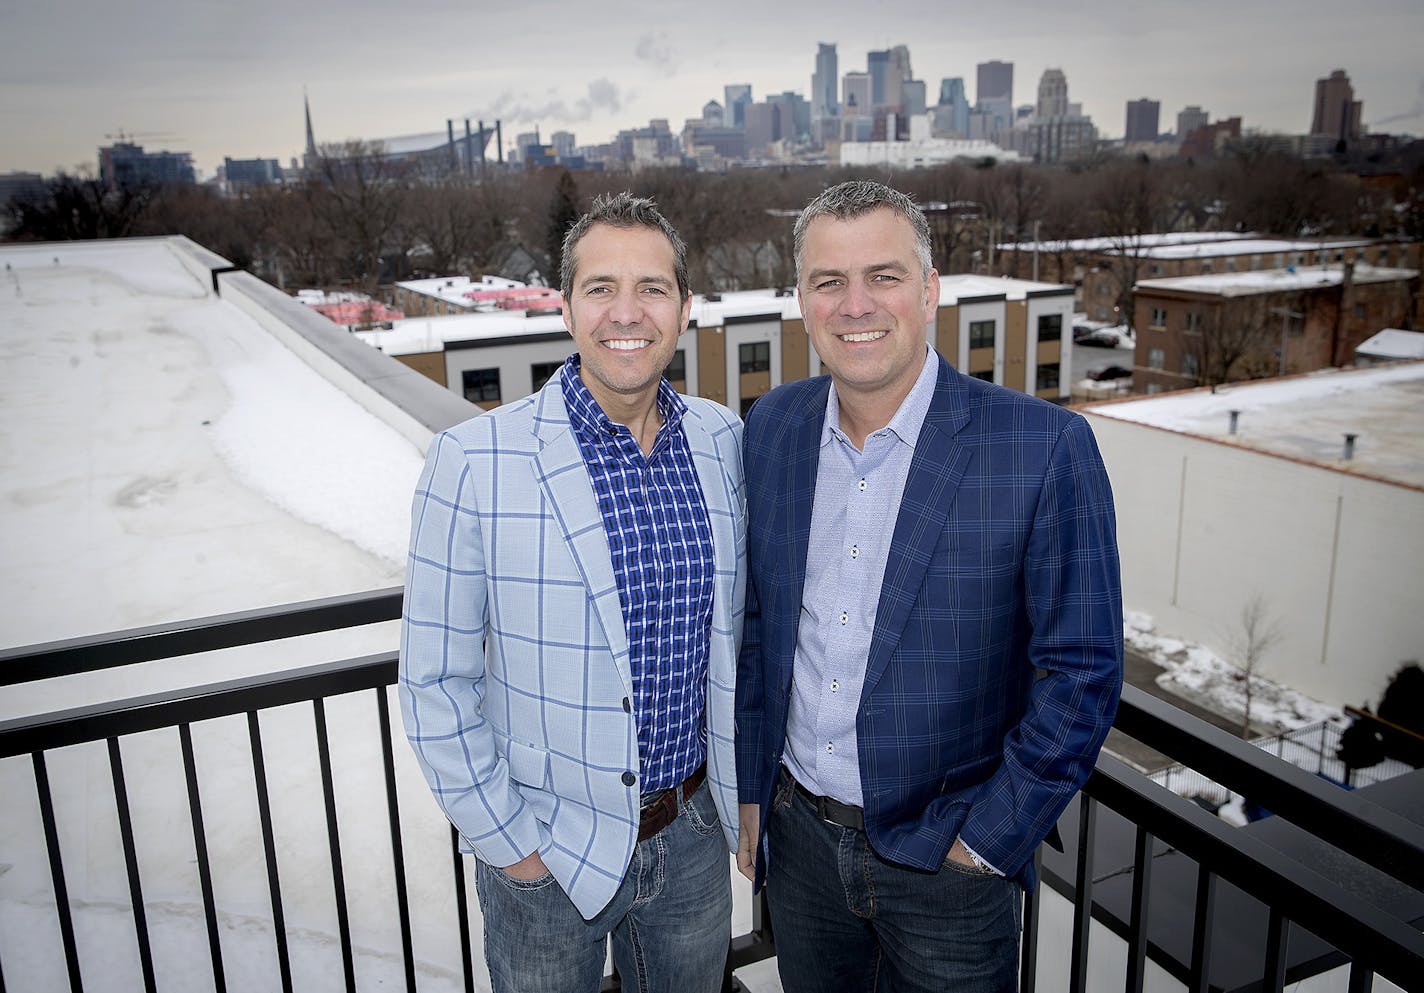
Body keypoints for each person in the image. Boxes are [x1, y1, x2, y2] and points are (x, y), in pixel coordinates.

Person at [734, 180, 1123, 993]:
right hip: (801, 848)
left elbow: (1082, 670)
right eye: (827, 281)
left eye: (883, 275)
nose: (855, 304)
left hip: (948, 868)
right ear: (800, 301)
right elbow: (760, 625)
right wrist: (751, 791)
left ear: (930, 289)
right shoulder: (773, 426)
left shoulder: (1043, 449)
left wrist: (984, 843)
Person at [401, 192, 745, 993]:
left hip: (691, 832)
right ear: (565, 307)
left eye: (653, 288)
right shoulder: (473, 461)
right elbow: (432, 682)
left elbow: (736, 637)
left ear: (685, 309)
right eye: (600, 288)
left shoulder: (724, 441)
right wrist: (509, 845)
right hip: (545, 852)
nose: (627, 312)